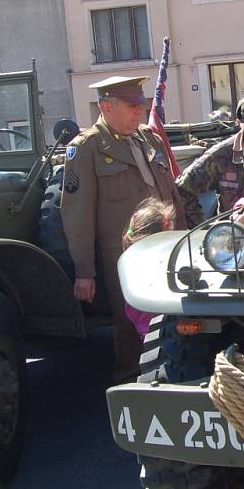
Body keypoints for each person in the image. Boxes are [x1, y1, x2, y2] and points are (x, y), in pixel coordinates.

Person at [61, 75, 186, 382]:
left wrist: (185, 241)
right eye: (132, 107)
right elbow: (78, 215)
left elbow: (171, 196)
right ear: (106, 107)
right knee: (132, 324)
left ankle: (175, 375)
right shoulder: (87, 148)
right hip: (124, 254)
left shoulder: (149, 139)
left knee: (176, 315)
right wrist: (84, 271)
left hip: (167, 246)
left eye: (141, 106)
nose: (139, 113)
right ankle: (131, 384)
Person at [176, 96, 244, 227]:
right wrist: (203, 229)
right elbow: (182, 189)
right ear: (239, 123)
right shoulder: (221, 155)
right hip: (234, 237)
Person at [122, 198, 176, 339]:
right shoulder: (162, 265)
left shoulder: (134, 262)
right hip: (161, 329)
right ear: (165, 227)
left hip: (144, 329)